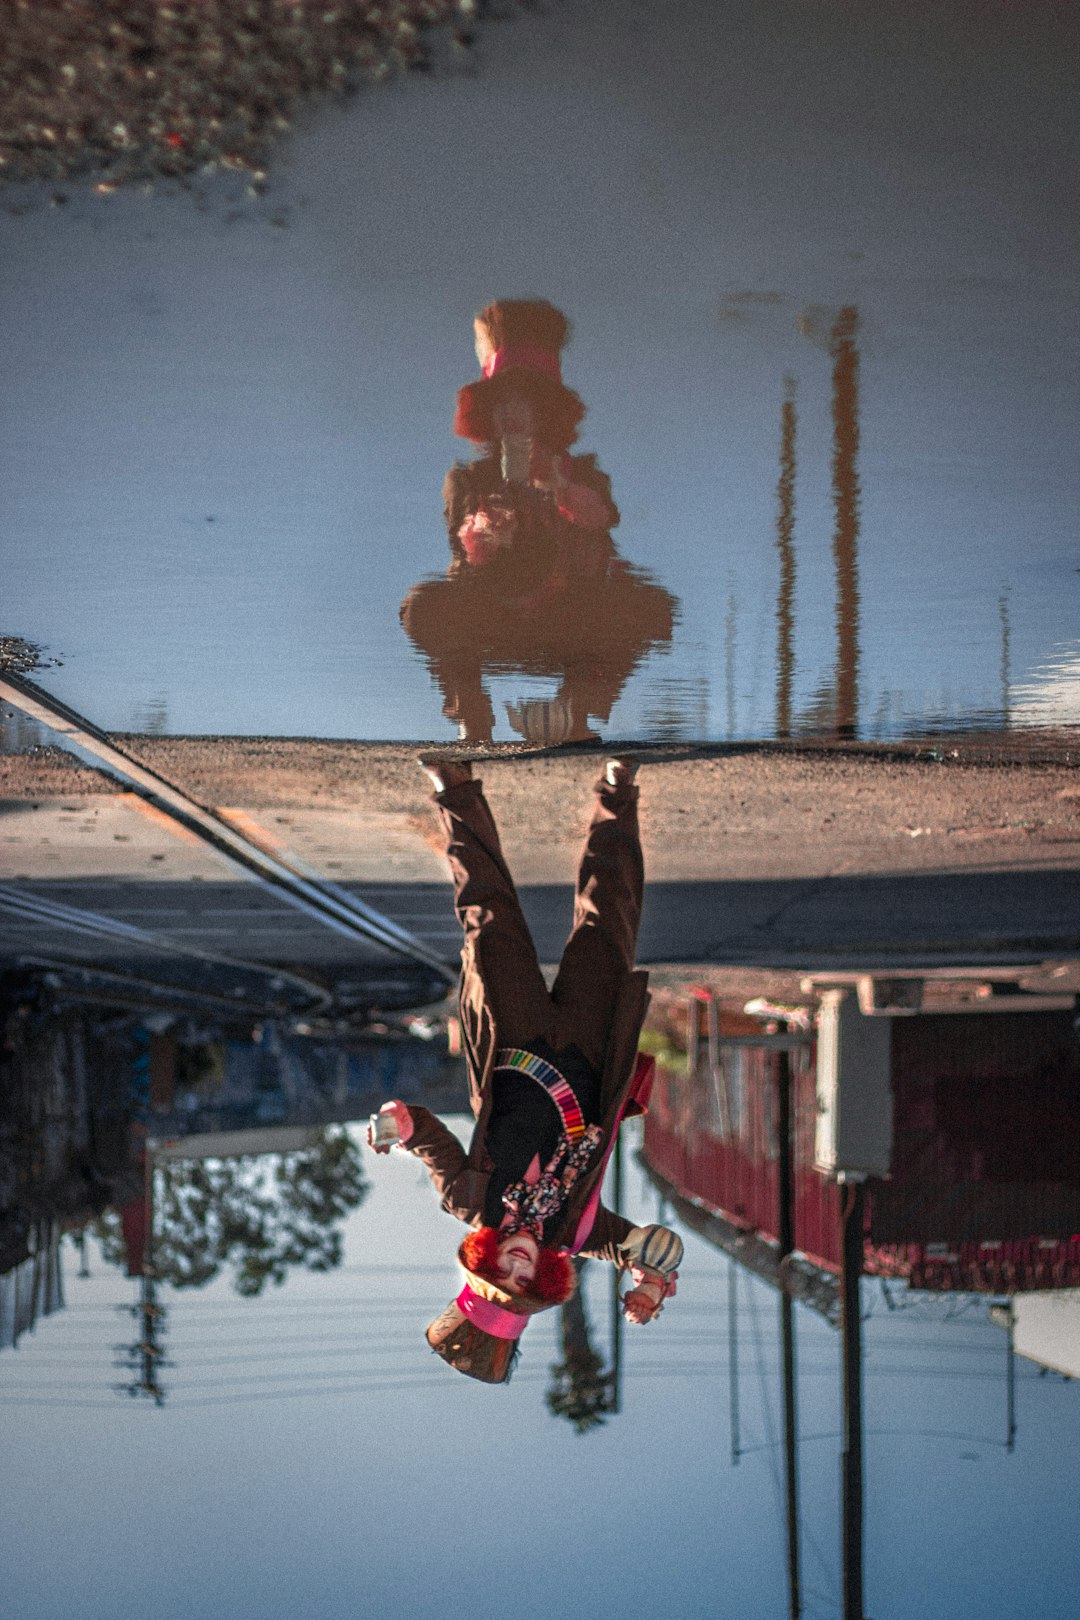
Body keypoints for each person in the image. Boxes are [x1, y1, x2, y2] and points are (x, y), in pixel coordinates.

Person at [367, 755, 683, 1384]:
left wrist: (400, 1124)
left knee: (487, 918)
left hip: (512, 1038)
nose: (514, 1265)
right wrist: (649, 1281)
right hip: (592, 1050)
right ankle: (618, 793)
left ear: (480, 1261)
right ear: (543, 1276)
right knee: (608, 916)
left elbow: (427, 1136)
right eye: (523, 1279)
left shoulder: (468, 1200)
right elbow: (643, 1250)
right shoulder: (578, 1231)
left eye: (497, 1273)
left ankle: (454, 790)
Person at [399, 297, 676, 744]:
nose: (512, 413)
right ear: (488, 414)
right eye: (503, 403)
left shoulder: (583, 473)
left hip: (568, 622)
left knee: (650, 606)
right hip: (494, 616)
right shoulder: (468, 479)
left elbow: (601, 520)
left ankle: (576, 713)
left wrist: (561, 490)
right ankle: (473, 718)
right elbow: (460, 546)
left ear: (544, 413)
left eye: (524, 404)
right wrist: (484, 532)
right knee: (423, 605)